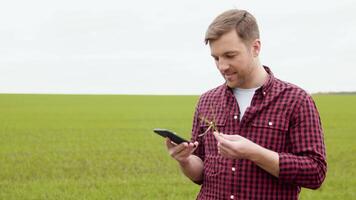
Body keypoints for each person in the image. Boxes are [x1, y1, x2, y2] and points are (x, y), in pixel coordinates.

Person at [165, 9, 327, 200]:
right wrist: (184, 160)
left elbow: (315, 172)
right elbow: (201, 173)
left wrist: (254, 153)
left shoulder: (296, 100)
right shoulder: (207, 101)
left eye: (230, 55)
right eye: (216, 58)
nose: (222, 66)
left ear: (255, 48)